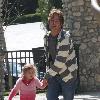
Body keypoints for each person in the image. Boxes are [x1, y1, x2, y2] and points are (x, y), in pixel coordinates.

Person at [43, 9, 78, 100]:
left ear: (61, 23)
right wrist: (48, 74)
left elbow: (60, 62)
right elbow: (49, 58)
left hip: (68, 76)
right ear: (49, 22)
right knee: (50, 98)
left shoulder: (65, 38)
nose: (53, 23)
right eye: (51, 20)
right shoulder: (46, 37)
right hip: (54, 75)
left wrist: (46, 76)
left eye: (56, 21)